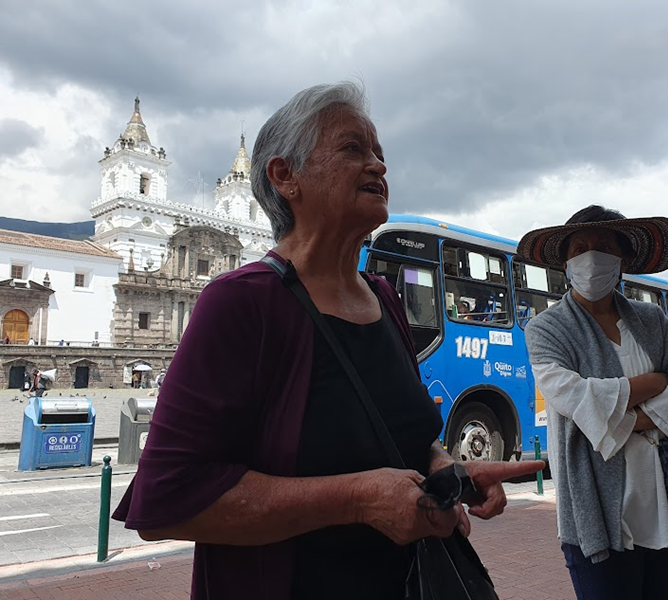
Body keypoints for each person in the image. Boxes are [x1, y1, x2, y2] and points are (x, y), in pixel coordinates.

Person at [113, 82, 543, 600]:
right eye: (353, 149)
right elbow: (164, 501)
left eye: (380, 154)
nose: (379, 166)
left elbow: (406, 436)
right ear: (284, 175)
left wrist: (446, 470)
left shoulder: (384, 298)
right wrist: (356, 499)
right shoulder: (241, 303)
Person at [519, 205, 668, 600]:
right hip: (597, 510)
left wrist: (629, 414)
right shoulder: (546, 329)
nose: (591, 256)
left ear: (621, 261)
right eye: (579, 248)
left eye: (604, 246)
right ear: (566, 263)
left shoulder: (651, 319)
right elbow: (573, 396)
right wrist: (655, 383)